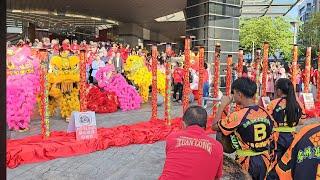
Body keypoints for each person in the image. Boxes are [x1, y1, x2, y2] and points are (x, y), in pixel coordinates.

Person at [212, 77, 275, 180]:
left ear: (239, 94)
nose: (233, 95)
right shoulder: (266, 112)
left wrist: (222, 105)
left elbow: (214, 126)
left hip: (246, 162)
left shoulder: (238, 116)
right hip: (264, 159)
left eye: (234, 93)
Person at [160, 106, 223, 180]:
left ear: (183, 124)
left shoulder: (172, 138)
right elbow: (217, 177)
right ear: (205, 127)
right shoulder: (217, 146)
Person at [267, 78, 306, 162]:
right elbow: (302, 121)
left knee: (275, 162)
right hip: (292, 136)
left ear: (279, 90)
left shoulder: (273, 104)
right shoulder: (298, 103)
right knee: (289, 162)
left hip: (276, 138)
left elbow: (267, 121)